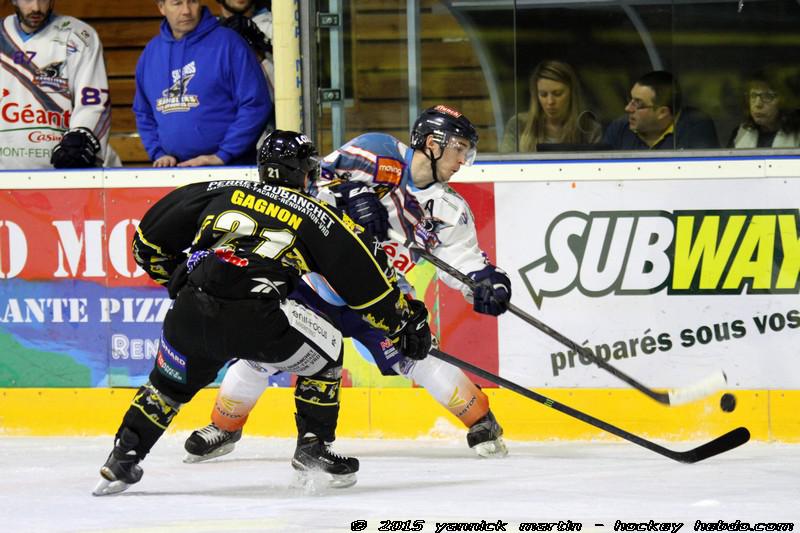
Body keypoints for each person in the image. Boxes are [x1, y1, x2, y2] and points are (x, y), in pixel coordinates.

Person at [92, 130, 432, 496]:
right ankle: (313, 448)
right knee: (328, 351)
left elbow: (146, 242)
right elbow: (367, 284)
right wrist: (404, 322)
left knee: (166, 386)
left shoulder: (218, 189)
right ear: (304, 172)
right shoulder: (316, 214)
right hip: (256, 317)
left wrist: (175, 278)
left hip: (191, 309)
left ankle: (123, 457)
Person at [183, 105, 512, 463]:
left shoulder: (449, 208)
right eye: (459, 148)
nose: (463, 160)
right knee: (261, 351)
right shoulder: (375, 151)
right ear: (433, 143)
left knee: (415, 352)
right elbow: (309, 181)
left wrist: (483, 282)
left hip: (380, 292)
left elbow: (463, 260)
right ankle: (225, 426)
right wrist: (352, 196)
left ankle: (482, 421)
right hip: (316, 282)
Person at [133, 0, 270, 168]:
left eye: (192, 1)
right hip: (172, 172)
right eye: (177, 3)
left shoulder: (229, 43)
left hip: (229, 168)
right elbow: (143, 112)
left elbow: (255, 104)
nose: (186, 10)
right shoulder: (150, 53)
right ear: (161, 7)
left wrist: (223, 155)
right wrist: (158, 153)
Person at [0, 0, 114, 170]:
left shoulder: (79, 35)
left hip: (62, 172)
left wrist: (81, 139)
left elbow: (94, 102)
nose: (36, 8)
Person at [602, 70, 719, 150]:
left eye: (638, 103)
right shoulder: (620, 128)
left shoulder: (696, 127)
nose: (627, 108)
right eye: (630, 100)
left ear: (662, 112)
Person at [501, 60, 601, 153]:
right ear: (536, 96)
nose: (550, 101)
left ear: (571, 93)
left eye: (558, 94)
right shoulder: (519, 125)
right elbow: (505, 163)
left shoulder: (589, 129)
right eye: (543, 95)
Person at [728, 71, 800, 148]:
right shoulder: (740, 133)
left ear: (784, 101)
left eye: (767, 96)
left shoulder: (797, 136)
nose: (758, 104)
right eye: (753, 95)